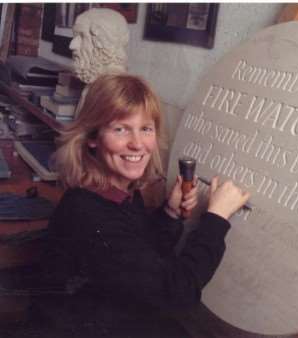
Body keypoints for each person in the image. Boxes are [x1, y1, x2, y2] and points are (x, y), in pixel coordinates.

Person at [19, 74, 250, 338]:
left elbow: (140, 255)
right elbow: (177, 293)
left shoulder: (118, 192)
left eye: (146, 129)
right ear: (92, 137)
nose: (137, 144)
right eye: (120, 129)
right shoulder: (87, 214)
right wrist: (217, 218)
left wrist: (170, 213)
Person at [69, 8, 129, 84]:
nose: (72, 45)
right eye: (75, 36)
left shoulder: (112, 89)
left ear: (103, 42)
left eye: (81, 36)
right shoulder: (98, 84)